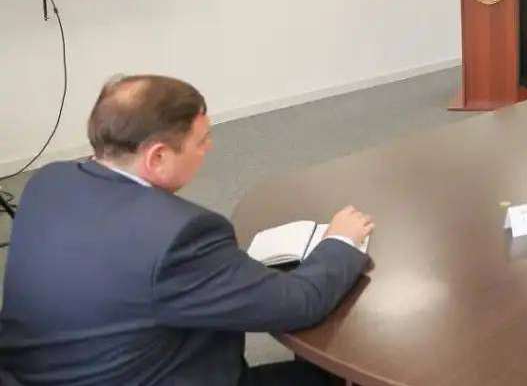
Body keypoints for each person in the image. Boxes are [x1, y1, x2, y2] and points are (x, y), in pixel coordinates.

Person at [0, 75, 373, 385]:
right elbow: (299, 304)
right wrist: (341, 240)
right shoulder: (180, 236)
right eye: (201, 140)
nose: (209, 148)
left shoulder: (48, 181)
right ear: (157, 156)